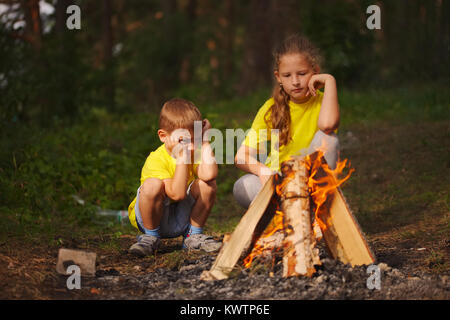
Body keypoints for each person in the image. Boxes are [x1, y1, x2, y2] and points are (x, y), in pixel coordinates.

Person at [234, 34, 340, 209]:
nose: (295, 82)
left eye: (302, 73)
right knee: (242, 186)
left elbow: (328, 125)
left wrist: (330, 81)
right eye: (287, 75)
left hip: (311, 180)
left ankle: (315, 209)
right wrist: (263, 171)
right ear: (278, 77)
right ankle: (286, 215)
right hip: (279, 182)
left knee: (330, 139)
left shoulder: (323, 100)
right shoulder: (270, 108)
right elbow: (240, 157)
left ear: (315, 72)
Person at [128, 98, 221, 256]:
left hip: (181, 216)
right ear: (163, 136)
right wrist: (182, 159)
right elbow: (176, 194)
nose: (190, 145)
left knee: (208, 184)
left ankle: (193, 236)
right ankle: (150, 238)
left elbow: (210, 174)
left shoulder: (193, 151)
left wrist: (204, 141)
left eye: (194, 139)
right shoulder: (156, 160)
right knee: (152, 185)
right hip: (153, 218)